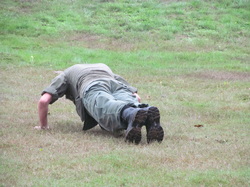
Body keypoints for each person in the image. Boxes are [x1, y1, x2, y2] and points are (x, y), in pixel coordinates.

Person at [35, 63, 164, 144]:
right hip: (113, 83)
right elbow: (136, 97)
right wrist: (135, 103)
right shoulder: (102, 66)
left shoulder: (67, 73)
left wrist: (43, 126)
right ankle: (148, 116)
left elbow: (43, 100)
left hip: (91, 87)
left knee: (106, 107)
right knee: (129, 103)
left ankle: (131, 114)